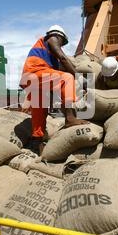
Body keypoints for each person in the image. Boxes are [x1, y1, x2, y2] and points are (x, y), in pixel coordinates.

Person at [20, 25, 89, 154]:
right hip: (35, 73)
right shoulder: (52, 39)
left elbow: (57, 86)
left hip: (31, 78)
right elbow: (63, 58)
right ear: (59, 36)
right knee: (67, 78)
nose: (61, 45)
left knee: (40, 108)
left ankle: (37, 142)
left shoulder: (50, 57)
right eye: (62, 42)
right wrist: (79, 78)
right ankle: (70, 119)